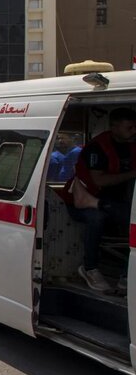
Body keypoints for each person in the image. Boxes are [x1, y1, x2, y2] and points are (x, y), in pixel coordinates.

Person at [67, 108, 136, 293]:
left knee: (129, 218)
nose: (133, 131)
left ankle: (126, 276)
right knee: (97, 218)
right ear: (114, 127)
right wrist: (132, 174)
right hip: (82, 200)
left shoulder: (131, 145)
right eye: (129, 128)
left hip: (114, 201)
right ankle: (90, 268)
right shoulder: (96, 148)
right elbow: (99, 180)